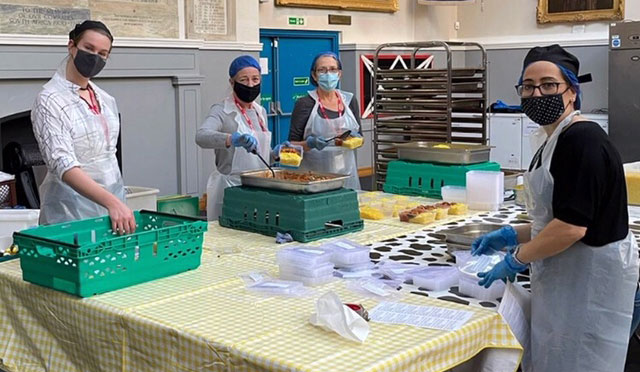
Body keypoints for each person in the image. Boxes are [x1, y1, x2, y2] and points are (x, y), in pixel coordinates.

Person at [470, 45, 639, 372]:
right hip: (570, 278)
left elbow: (572, 228)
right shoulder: (552, 141)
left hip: (594, 282)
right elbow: (555, 218)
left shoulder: (582, 140)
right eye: (529, 87)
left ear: (572, 92)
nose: (537, 93)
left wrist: (517, 257)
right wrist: (509, 234)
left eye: (549, 85)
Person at [32, 20, 136, 234]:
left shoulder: (105, 99)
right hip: (68, 210)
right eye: (89, 48)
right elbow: (63, 163)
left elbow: (109, 155)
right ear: (72, 46)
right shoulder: (50, 100)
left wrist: (116, 200)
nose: (95, 57)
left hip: (111, 207)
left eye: (103, 53)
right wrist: (112, 202)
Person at [196, 55, 271, 221]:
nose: (250, 85)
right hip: (230, 189)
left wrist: (277, 153)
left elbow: (259, 155)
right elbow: (201, 136)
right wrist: (231, 139)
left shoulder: (260, 112)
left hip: (258, 188)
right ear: (232, 82)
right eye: (244, 80)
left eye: (255, 79)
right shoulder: (221, 111)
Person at [288, 51, 362, 189]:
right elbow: (292, 145)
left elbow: (360, 136)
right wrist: (309, 144)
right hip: (313, 177)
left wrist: (355, 139)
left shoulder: (350, 101)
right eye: (322, 70)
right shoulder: (304, 104)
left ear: (339, 74)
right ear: (314, 75)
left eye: (333, 69)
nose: (328, 74)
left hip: (347, 175)